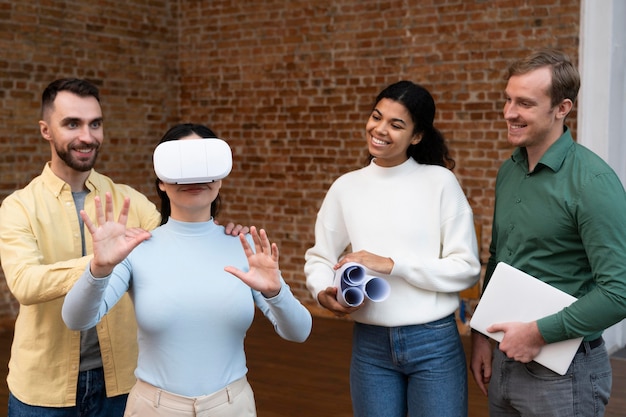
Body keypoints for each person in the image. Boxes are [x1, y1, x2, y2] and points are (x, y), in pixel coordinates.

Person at [0, 79, 247, 416]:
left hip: (121, 383)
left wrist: (221, 235)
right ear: (46, 130)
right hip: (43, 388)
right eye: (72, 123)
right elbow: (26, 284)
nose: (87, 136)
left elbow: (177, 246)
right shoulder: (18, 207)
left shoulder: (129, 200)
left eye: (95, 124)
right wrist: (99, 264)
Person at [62, 123, 313, 417]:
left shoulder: (245, 249)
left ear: (220, 177)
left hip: (232, 406)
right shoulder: (136, 249)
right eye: (181, 165)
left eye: (203, 164)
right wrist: (99, 268)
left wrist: (275, 292)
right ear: (161, 181)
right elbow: (75, 319)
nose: (194, 176)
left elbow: (300, 332)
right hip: (153, 409)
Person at [304, 81, 481, 417]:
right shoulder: (346, 187)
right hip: (370, 345)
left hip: (434, 343)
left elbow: (467, 268)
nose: (380, 129)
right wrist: (322, 290)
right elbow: (320, 257)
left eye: (396, 124)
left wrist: (391, 264)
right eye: (376, 117)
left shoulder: (439, 182)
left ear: (416, 136)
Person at [470, 48, 626, 416]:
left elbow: (619, 292)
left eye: (524, 103)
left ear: (562, 108)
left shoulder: (594, 182)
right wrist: (479, 335)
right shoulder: (508, 171)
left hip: (566, 375)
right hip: (504, 357)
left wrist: (537, 333)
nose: (509, 113)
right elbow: (499, 259)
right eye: (508, 100)